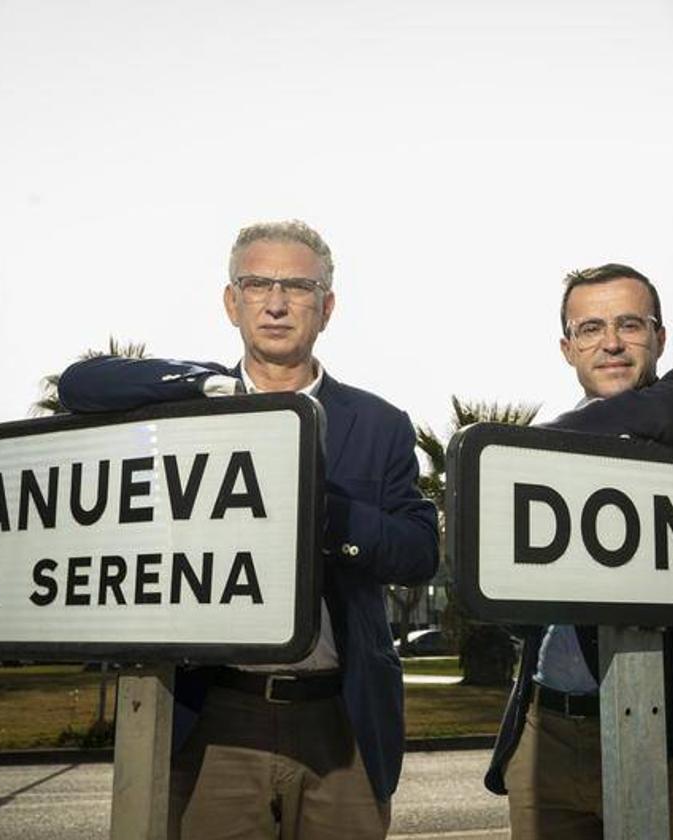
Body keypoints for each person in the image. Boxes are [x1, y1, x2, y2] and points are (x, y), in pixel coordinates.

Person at [58, 219, 439, 839]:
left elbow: (419, 550)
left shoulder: (379, 423)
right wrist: (208, 386)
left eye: (298, 286)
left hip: (341, 719)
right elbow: (81, 385)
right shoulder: (190, 405)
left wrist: (320, 511)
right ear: (232, 301)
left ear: (327, 307)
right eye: (258, 283)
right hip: (217, 714)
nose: (278, 302)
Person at [484, 263, 673, 839]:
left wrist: (521, 448)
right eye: (590, 329)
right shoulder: (539, 466)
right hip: (547, 734)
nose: (610, 342)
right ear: (567, 347)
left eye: (629, 324)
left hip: (668, 737)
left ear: (659, 337)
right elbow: (511, 604)